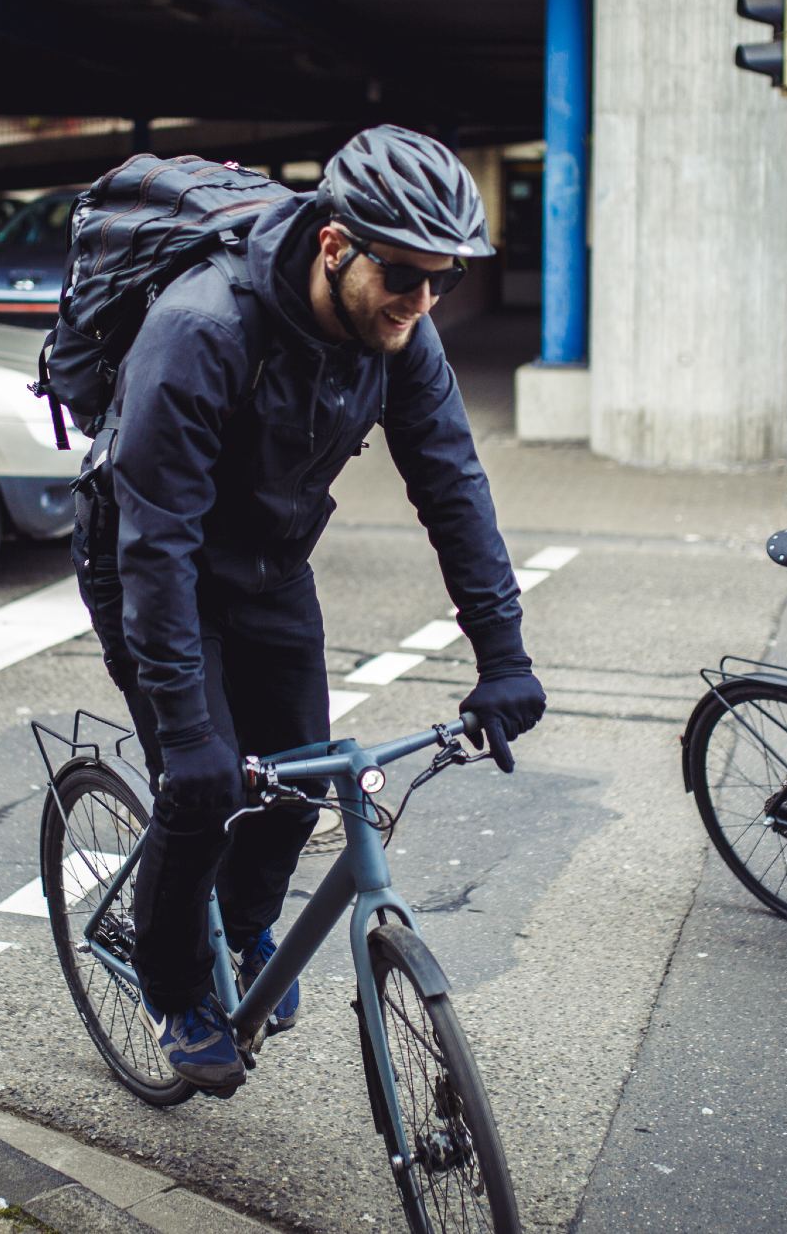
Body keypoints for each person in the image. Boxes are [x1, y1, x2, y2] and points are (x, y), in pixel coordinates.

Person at [79, 126, 547, 1090]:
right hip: (149, 562)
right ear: (336, 246)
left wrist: (502, 654)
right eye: (407, 277)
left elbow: (452, 484)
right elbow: (155, 538)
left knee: (299, 779)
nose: (423, 304)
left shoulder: (399, 337)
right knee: (203, 786)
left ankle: (244, 926)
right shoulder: (205, 327)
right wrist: (185, 725)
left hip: (268, 564)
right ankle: (175, 989)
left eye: (444, 283)